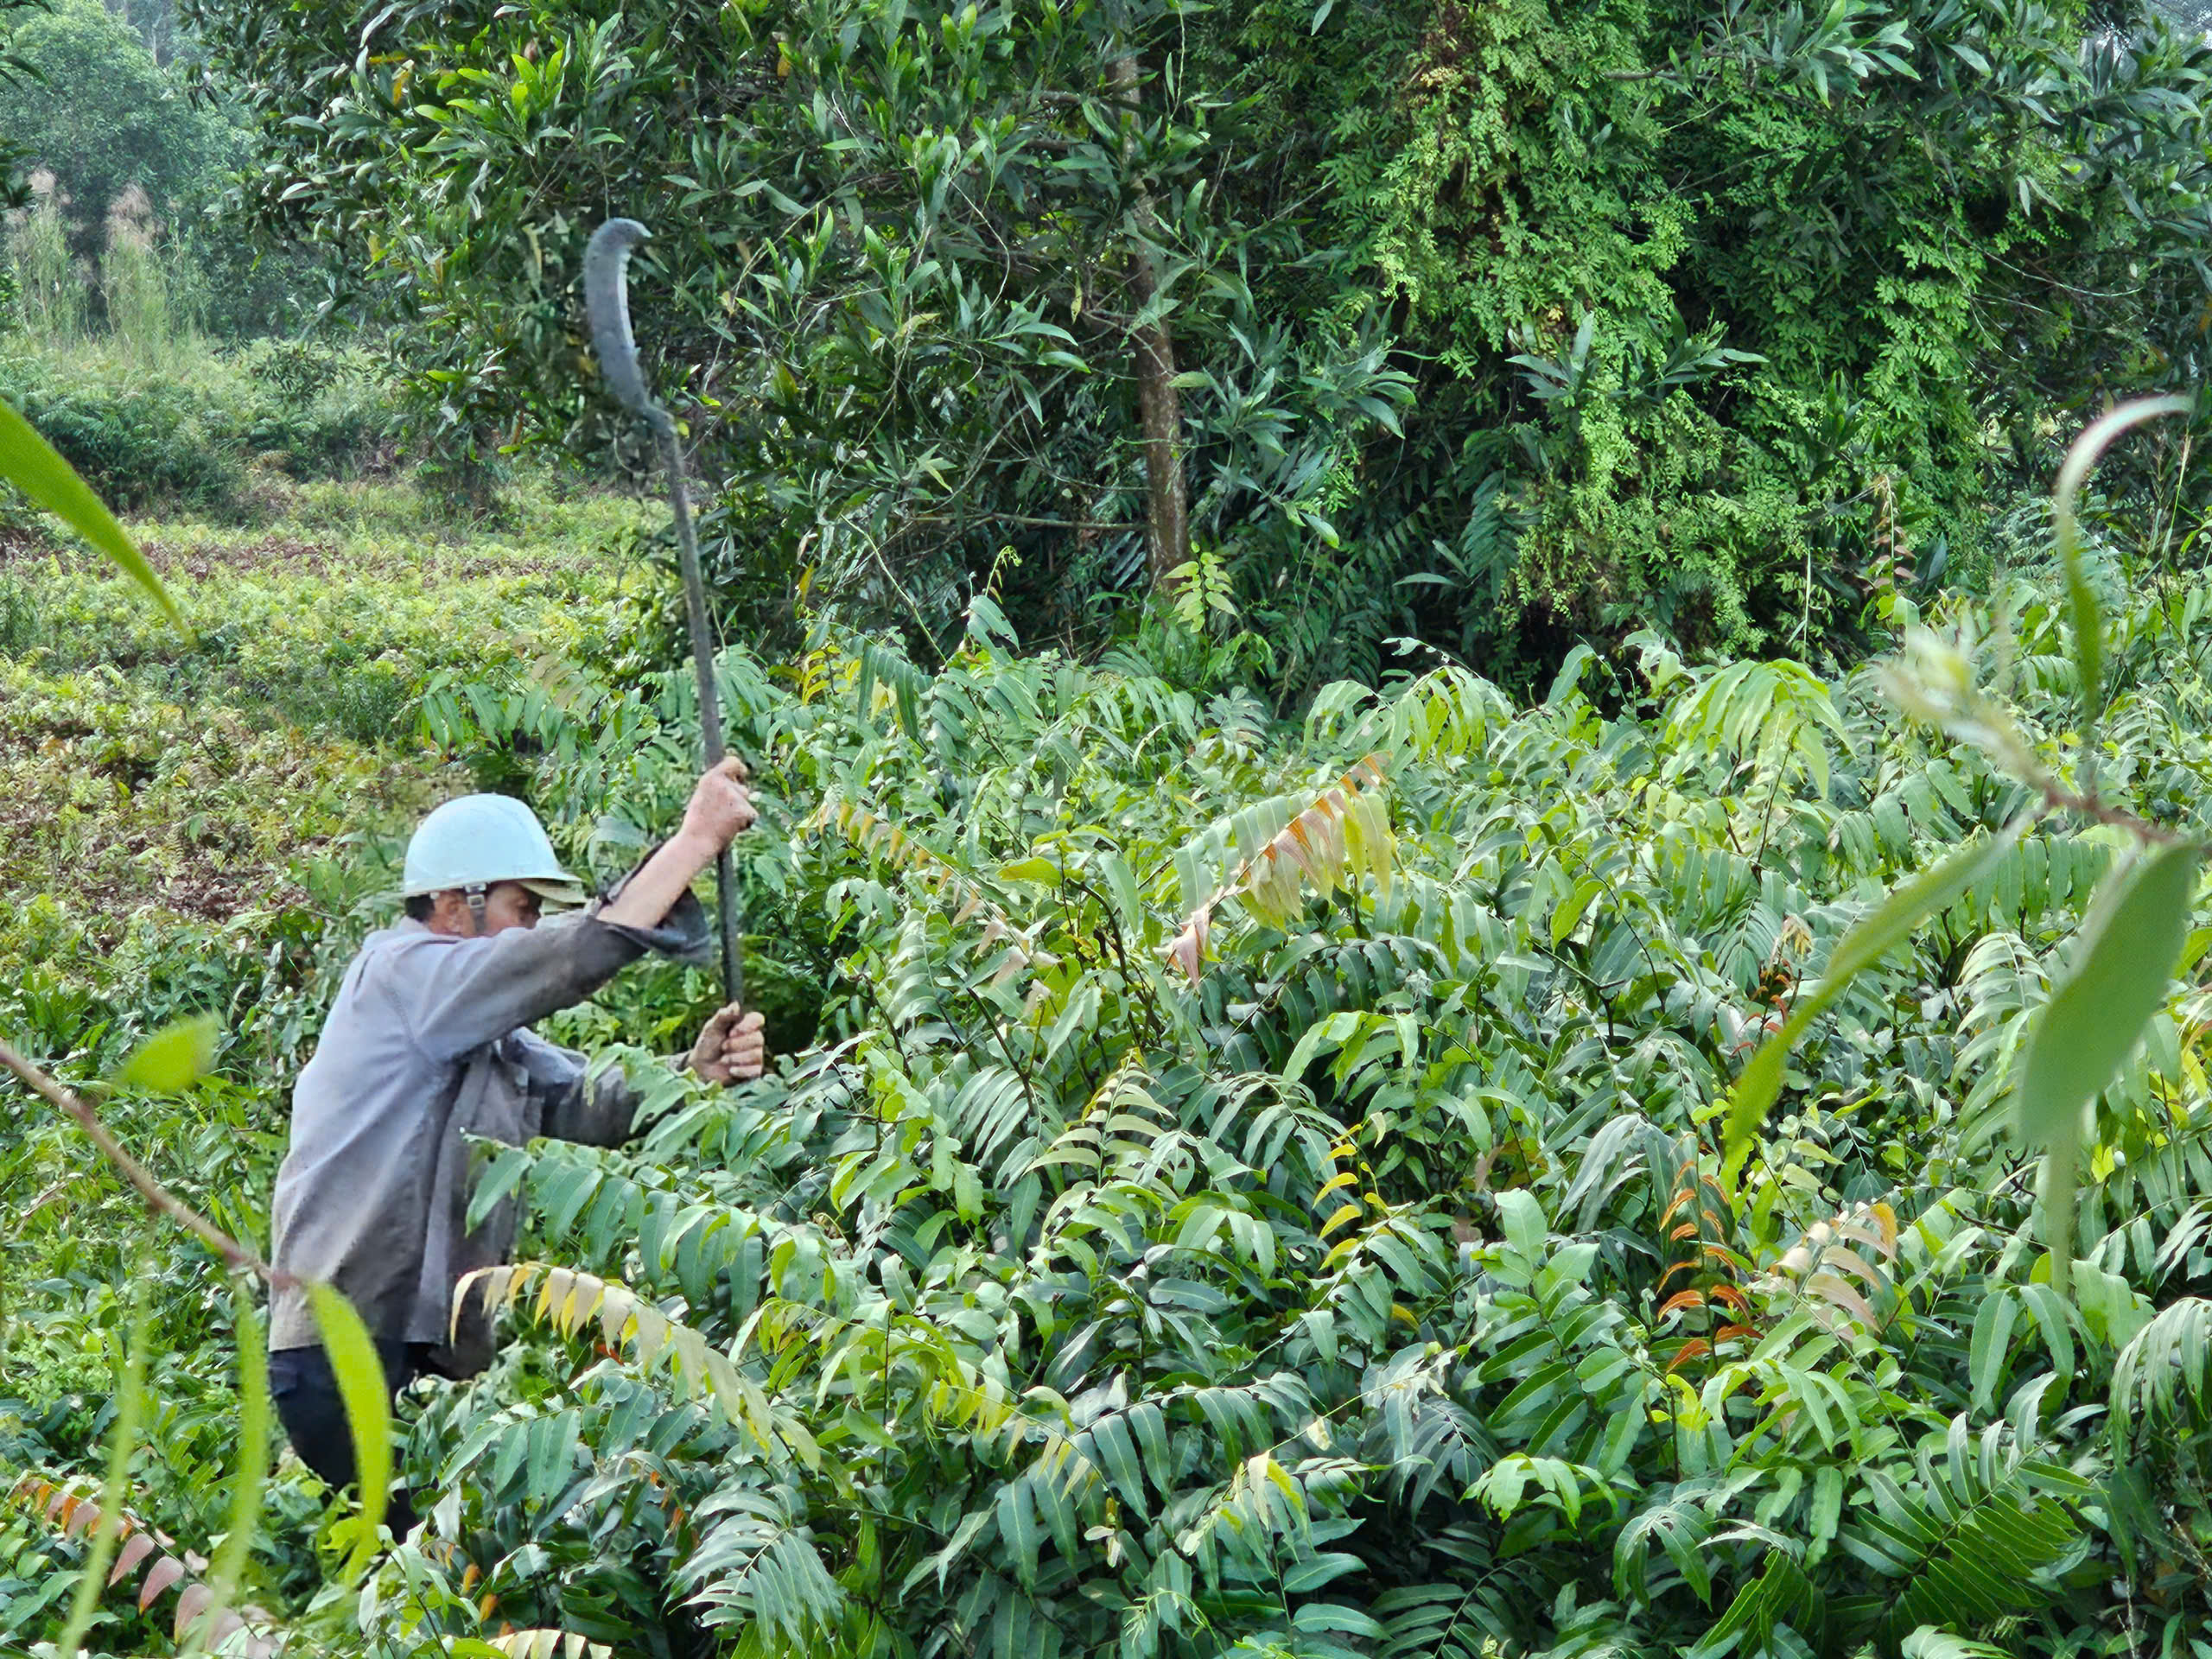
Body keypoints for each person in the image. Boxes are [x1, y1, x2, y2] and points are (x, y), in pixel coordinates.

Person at [264, 759, 764, 1533]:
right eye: (520, 908)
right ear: (451, 906)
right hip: (347, 1348)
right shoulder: (402, 976)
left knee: (448, 1569)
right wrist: (694, 841)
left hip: (427, 1358)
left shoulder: (486, 1039)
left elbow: (587, 1102)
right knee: (426, 1570)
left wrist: (692, 1077)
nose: (528, 930)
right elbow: (570, 959)